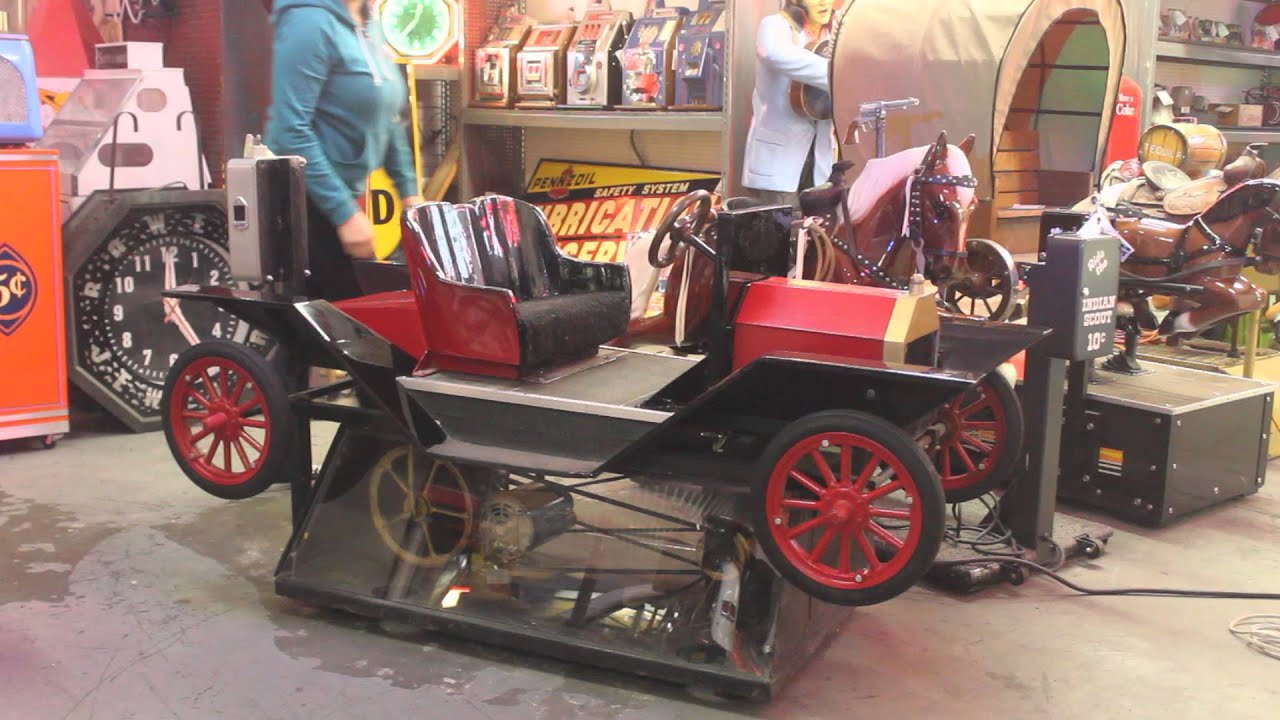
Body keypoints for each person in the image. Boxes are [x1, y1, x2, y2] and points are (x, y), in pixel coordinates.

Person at [265, 0, 422, 301]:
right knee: (348, 321)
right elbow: (290, 131)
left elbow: (389, 118)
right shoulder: (309, 22)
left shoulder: (366, 22)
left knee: (368, 312)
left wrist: (411, 196)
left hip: (339, 197)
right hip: (301, 203)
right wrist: (345, 215)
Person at [741, 0, 836, 208]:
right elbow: (776, 54)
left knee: (817, 234)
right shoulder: (775, 25)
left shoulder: (834, 33)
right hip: (779, 162)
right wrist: (838, 72)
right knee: (780, 234)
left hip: (820, 164)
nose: (823, 2)